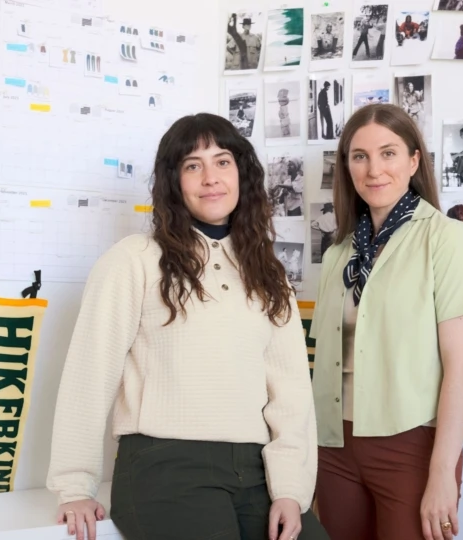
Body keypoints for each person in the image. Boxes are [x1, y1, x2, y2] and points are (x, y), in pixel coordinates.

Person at [46, 113, 329, 540]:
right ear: (174, 181)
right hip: (165, 467)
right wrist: (74, 485)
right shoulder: (133, 260)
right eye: (193, 165)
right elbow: (90, 373)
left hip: (257, 473)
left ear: (242, 173)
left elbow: (291, 394)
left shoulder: (268, 273)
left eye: (222, 161)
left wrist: (291, 489)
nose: (210, 177)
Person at [310, 104, 463, 540]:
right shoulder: (338, 253)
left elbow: (462, 366)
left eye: (388, 153)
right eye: (359, 156)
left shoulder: (446, 238)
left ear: (413, 161)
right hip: (333, 446)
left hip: (412, 445)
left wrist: (443, 472)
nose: (374, 169)